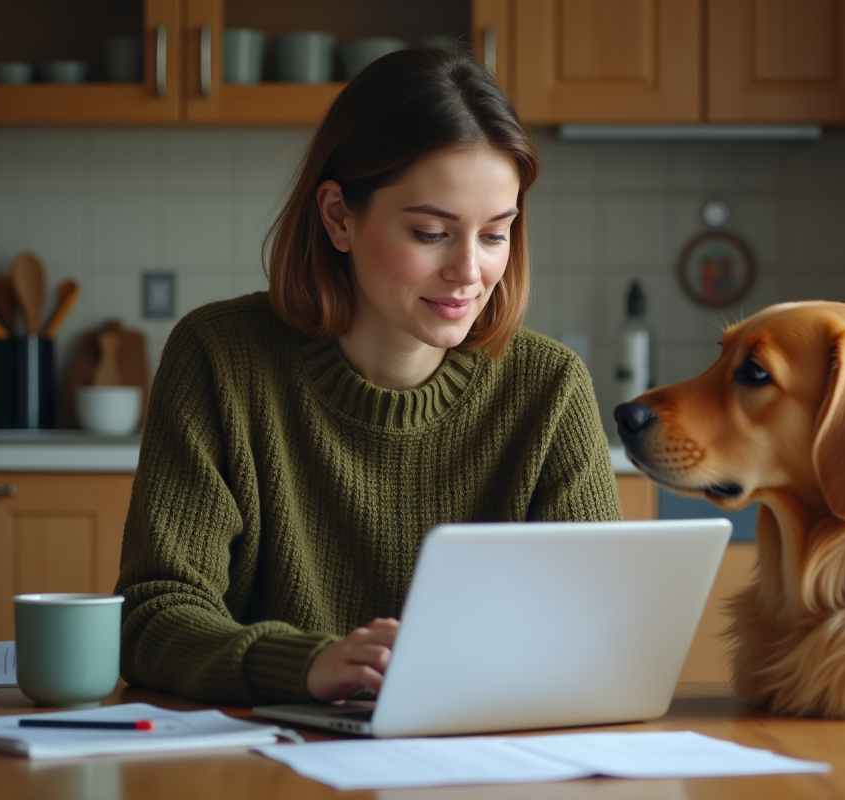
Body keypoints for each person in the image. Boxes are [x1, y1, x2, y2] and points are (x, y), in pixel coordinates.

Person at [114, 48, 622, 705]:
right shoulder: (219, 358)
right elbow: (152, 616)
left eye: (495, 235)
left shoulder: (549, 389)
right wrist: (306, 663)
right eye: (433, 233)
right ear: (339, 217)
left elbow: (600, 637)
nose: (470, 272)